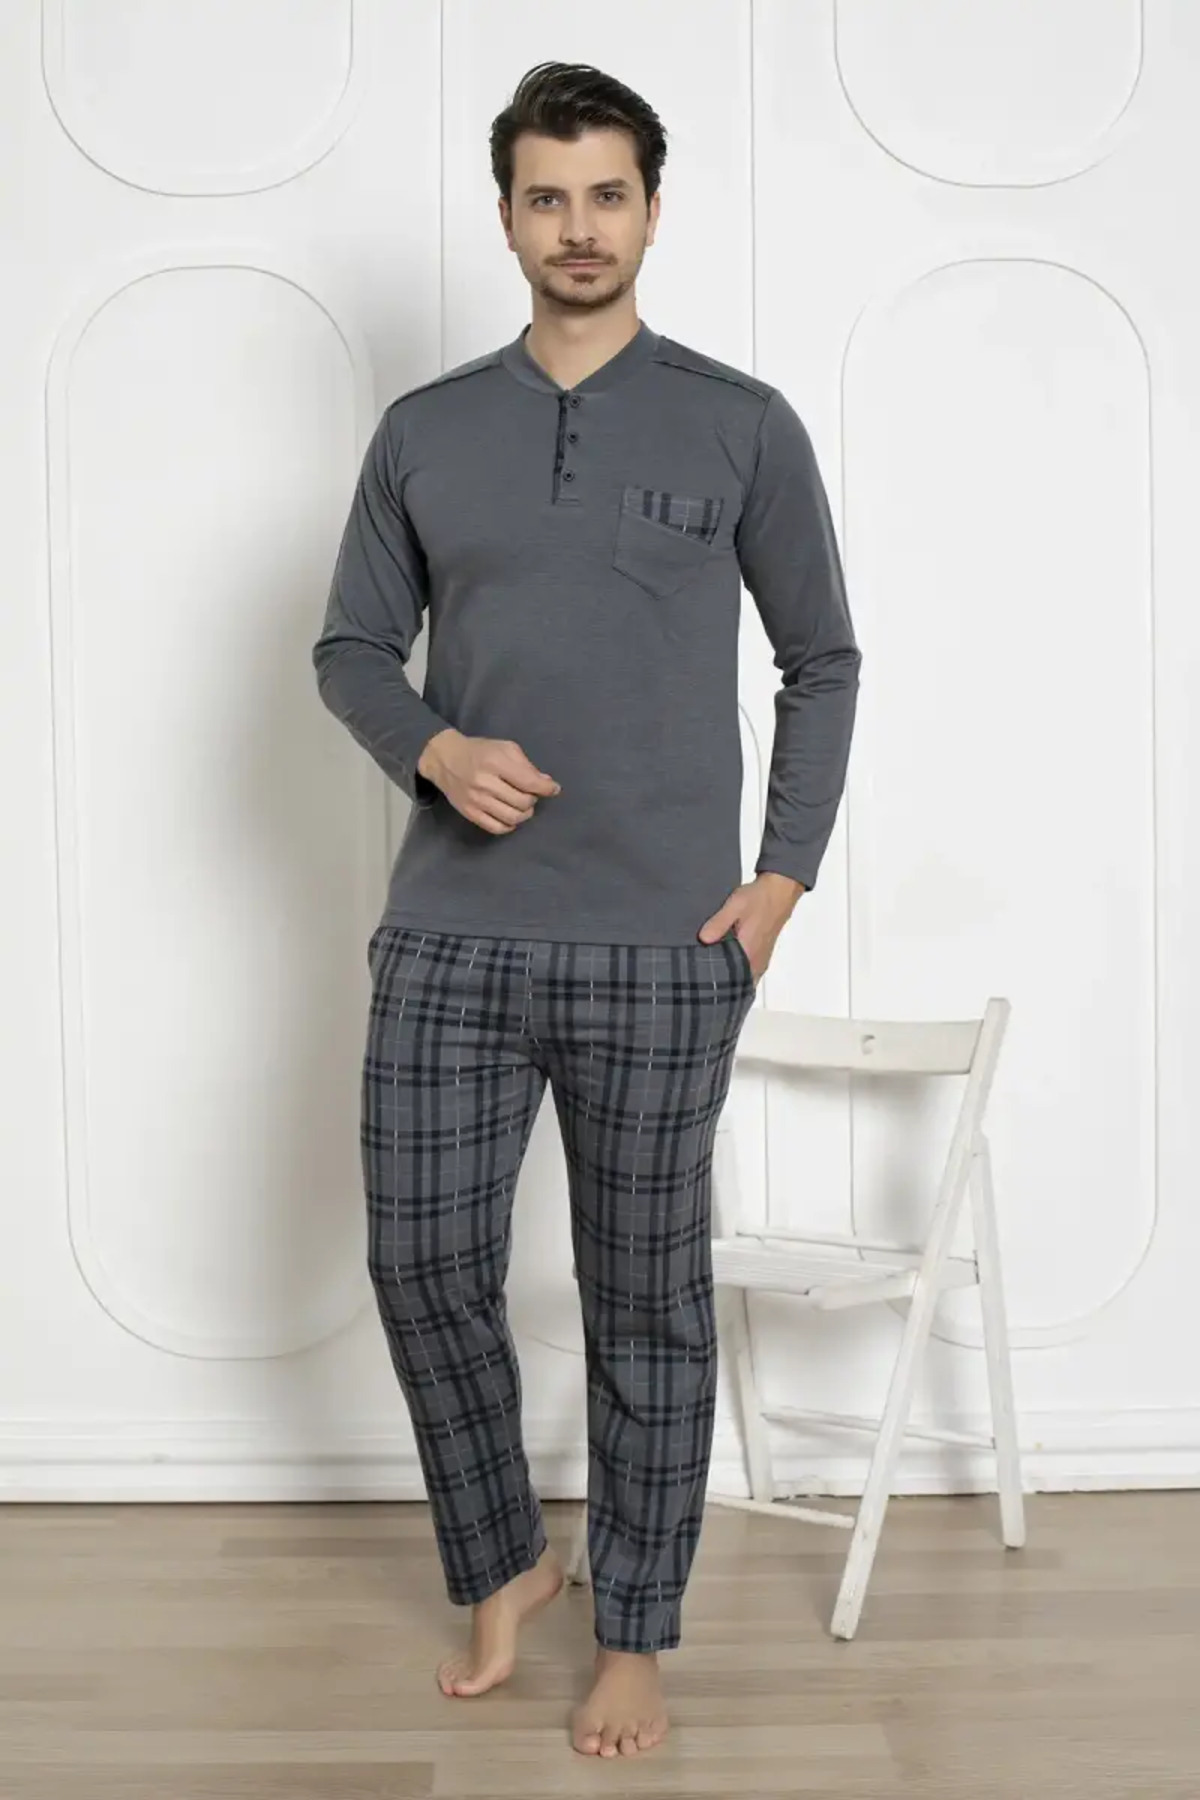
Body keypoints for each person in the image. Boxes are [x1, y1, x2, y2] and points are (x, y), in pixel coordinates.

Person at [312, 59, 860, 1761]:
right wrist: (432, 747)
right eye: (546, 197)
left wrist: (779, 886)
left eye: (606, 194)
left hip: (663, 948)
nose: (577, 227)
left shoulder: (741, 422)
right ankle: (506, 1562)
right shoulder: (425, 432)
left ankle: (636, 1629)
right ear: (506, 217)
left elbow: (824, 660)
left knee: (643, 1304)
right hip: (451, 939)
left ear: (650, 209)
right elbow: (351, 648)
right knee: (421, 1265)